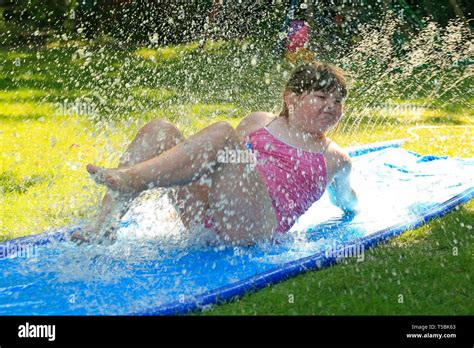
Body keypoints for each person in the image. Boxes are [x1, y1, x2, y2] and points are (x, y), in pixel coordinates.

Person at [71, 61, 359, 246]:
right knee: (160, 129)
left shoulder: (335, 158)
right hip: (212, 215)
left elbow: (346, 201)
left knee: (222, 134)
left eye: (337, 101)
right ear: (291, 98)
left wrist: (353, 208)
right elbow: (219, 163)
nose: (331, 106)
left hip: (256, 228)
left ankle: (133, 180)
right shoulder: (259, 121)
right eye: (321, 97)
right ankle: (103, 226)